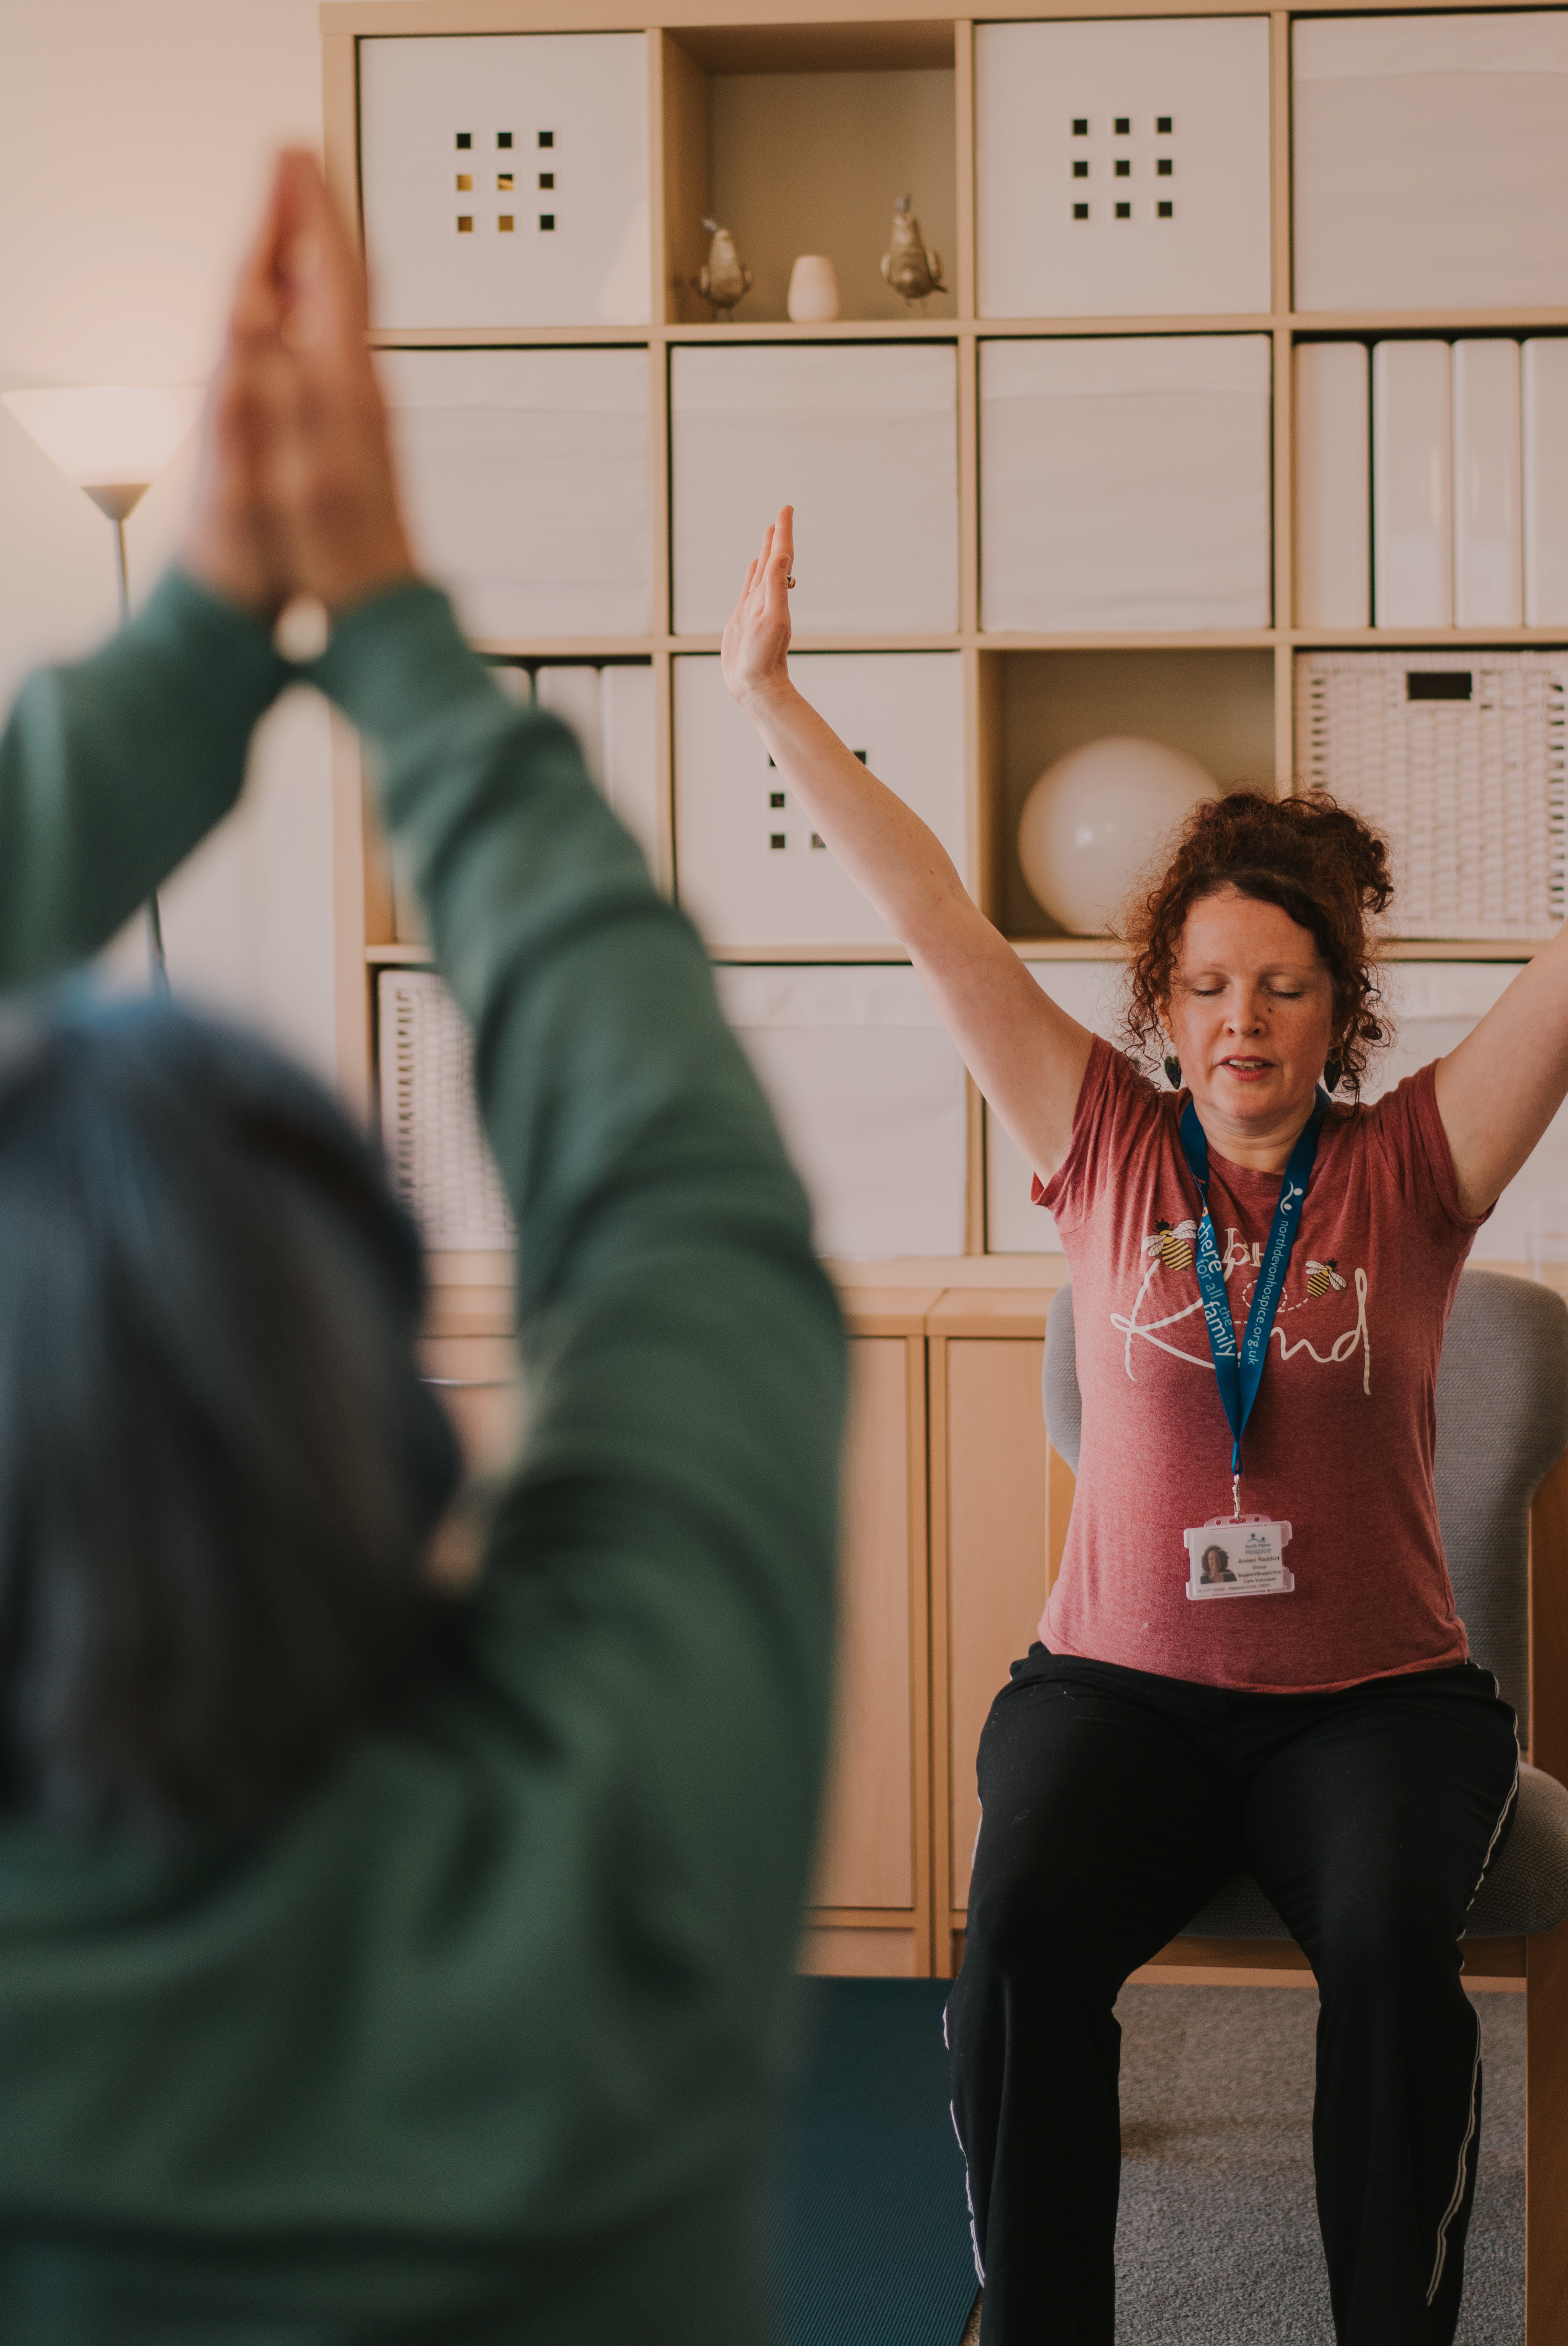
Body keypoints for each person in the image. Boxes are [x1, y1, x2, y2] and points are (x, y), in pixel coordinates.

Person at [720, 499, 1568, 2346]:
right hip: (1115, 1692)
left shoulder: (1416, 1166)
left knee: (1393, 1959)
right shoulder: (1098, 1140)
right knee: (1012, 1951)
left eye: (1284, 984)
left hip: (1373, 1703)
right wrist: (767, 694)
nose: (1244, 1018)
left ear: (1337, 1009)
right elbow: (924, 904)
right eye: (1209, 984)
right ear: (1160, 1002)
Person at [0, 156, 847, 2342]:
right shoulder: (603, 1852)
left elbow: (676, 1204)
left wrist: (192, 650)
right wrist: (388, 626)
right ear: (375, 1401)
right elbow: (681, 1194)